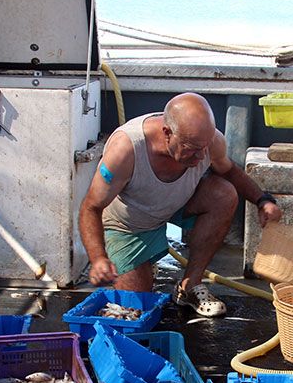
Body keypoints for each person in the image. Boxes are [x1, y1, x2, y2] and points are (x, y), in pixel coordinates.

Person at [79, 93, 282, 316]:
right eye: (192, 148)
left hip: (177, 203)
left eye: (204, 147)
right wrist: (98, 258)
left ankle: (189, 286)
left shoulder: (210, 141)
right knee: (135, 310)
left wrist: (262, 200)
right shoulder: (125, 150)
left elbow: (229, 170)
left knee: (224, 194)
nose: (200, 156)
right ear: (167, 133)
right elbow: (91, 207)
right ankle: (140, 264)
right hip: (128, 226)